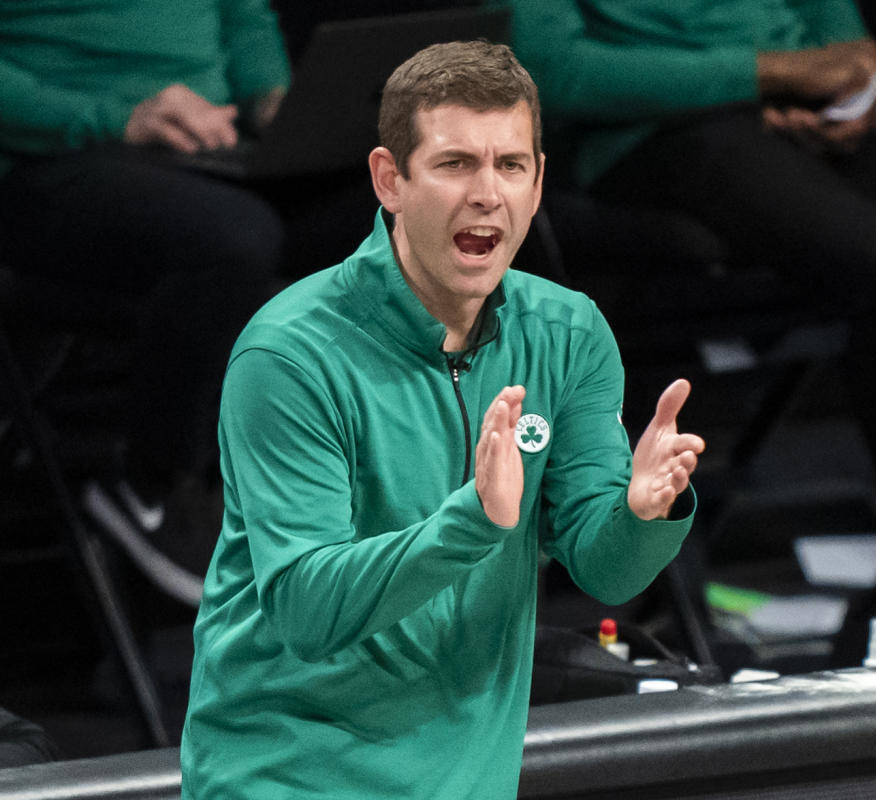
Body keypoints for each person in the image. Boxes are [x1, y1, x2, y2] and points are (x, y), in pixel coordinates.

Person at [179, 41, 704, 798]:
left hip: (468, 779)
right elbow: (305, 607)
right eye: (456, 163)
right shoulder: (290, 353)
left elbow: (606, 570)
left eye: (511, 165)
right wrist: (472, 524)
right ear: (390, 180)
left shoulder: (567, 333)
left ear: (539, 181)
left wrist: (643, 511)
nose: (488, 193)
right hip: (292, 774)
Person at [501, 0, 876, 660]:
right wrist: (771, 73)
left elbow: (833, 23)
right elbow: (553, 69)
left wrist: (856, 87)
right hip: (668, 130)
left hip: (806, 109)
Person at [0, 0, 378, 605]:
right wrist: (115, 117)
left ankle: (374, 488)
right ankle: (151, 483)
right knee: (233, 238)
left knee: (409, 204)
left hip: (213, 147)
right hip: (55, 156)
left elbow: (243, 17)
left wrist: (272, 100)